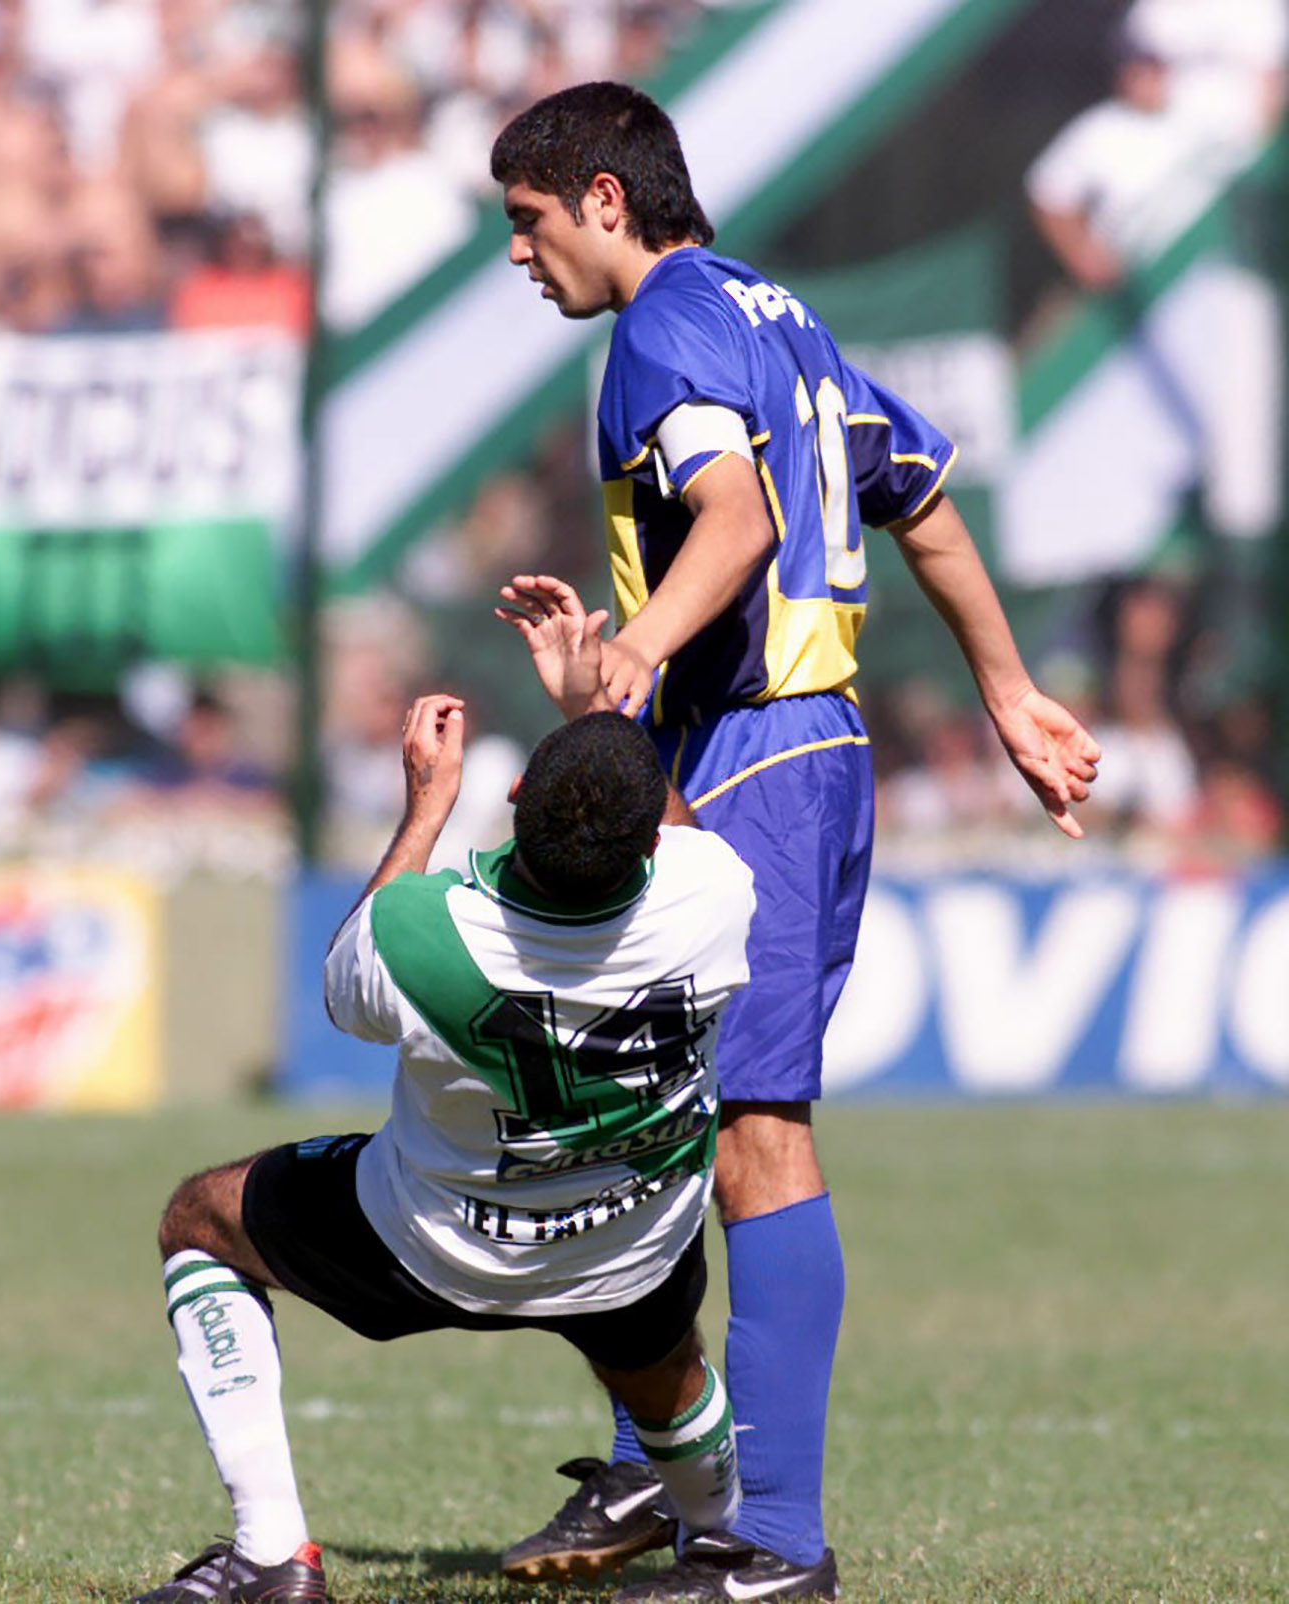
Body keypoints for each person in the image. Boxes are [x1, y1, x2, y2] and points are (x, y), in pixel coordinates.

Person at [488, 82, 1102, 1600]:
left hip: (759, 752)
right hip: (767, 751)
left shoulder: (663, 327)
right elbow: (930, 507)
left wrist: (632, 657)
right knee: (651, 1115)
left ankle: (773, 1543)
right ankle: (657, 1473)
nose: (522, 255)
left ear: (606, 203)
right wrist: (1012, 693)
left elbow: (739, 518)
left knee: (757, 1129)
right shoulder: (784, 318)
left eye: (529, 220)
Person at [130, 673, 758, 1604]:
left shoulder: (426, 930)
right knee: (666, 1367)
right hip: (631, 1242)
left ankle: (271, 1558)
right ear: (648, 848)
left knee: (199, 1219)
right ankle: (718, 1551)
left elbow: (348, 986)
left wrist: (425, 807)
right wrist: (603, 711)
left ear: (509, 797)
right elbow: (672, 833)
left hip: (430, 1244)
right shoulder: (716, 890)